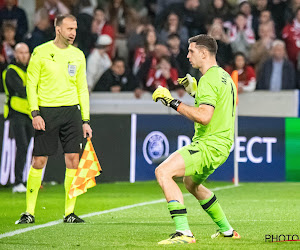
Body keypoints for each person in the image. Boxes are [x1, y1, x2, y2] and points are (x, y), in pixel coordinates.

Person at [152, 34, 240, 244]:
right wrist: (195, 94)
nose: (188, 55)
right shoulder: (225, 77)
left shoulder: (208, 78)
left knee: (163, 172)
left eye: (191, 51)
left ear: (203, 53)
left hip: (209, 144)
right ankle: (227, 231)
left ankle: (184, 233)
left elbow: (204, 116)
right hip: (223, 144)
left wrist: (171, 101)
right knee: (191, 183)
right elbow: (216, 106)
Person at [15, 14, 92, 224]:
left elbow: (82, 89)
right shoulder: (41, 52)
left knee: (73, 161)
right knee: (39, 161)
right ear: (58, 29)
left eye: (75, 29)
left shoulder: (78, 55)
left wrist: (85, 119)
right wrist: (35, 113)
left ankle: (69, 213)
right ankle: (29, 212)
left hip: (71, 113)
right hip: (46, 112)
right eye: (69, 29)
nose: (73, 33)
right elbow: (31, 84)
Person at [2, 43, 33, 193]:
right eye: (20, 53)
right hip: (16, 113)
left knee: (27, 147)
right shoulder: (11, 71)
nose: (23, 56)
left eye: (26, 53)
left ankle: (25, 179)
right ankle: (17, 182)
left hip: (29, 114)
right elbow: (21, 90)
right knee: (22, 146)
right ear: (15, 54)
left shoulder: (30, 70)